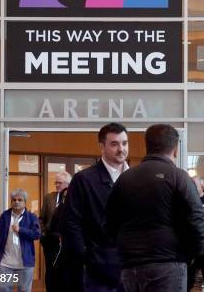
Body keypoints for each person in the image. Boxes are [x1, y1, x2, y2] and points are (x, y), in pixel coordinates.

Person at [106, 124, 204, 292]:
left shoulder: (124, 179)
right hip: (168, 263)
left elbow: (109, 221)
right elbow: (196, 217)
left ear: (147, 146)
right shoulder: (178, 177)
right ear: (175, 149)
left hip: (131, 265)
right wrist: (194, 253)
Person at [64, 122, 129, 292]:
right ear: (102, 147)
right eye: (114, 144)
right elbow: (71, 223)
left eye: (124, 143)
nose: (121, 149)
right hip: (97, 270)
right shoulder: (84, 179)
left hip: (131, 267)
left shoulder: (137, 179)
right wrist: (86, 257)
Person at [0, 188, 41, 292]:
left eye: (20, 200)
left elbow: (37, 234)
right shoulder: (5, 216)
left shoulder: (31, 217)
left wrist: (21, 230)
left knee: (24, 290)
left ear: (25, 202)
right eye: (14, 200)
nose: (16, 202)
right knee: (4, 290)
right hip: (5, 262)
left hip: (25, 263)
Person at [40, 171, 71, 292]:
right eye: (56, 182)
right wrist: (43, 234)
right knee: (51, 272)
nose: (57, 185)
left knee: (65, 272)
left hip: (67, 243)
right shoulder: (49, 198)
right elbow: (41, 218)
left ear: (68, 184)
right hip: (50, 242)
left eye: (60, 183)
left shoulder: (73, 198)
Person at [47, 187, 69, 292]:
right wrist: (59, 237)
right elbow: (50, 231)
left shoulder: (81, 211)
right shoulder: (58, 211)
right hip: (58, 252)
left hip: (76, 254)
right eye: (64, 197)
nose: (67, 199)